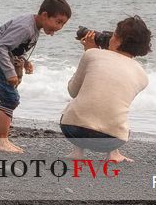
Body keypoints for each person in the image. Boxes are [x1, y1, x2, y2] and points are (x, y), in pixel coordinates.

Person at [0, 0, 71, 153]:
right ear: (44, 15)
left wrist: (25, 61)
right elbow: (1, 46)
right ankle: (2, 141)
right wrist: (10, 74)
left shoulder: (35, 27)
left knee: (9, 97)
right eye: (58, 22)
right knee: (10, 98)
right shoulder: (25, 27)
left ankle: (3, 137)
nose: (59, 27)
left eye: (63, 24)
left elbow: (15, 47)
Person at [60, 15, 151, 163]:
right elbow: (111, 99)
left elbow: (73, 91)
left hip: (73, 131)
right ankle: (113, 154)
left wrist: (89, 52)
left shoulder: (92, 55)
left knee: (82, 102)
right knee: (114, 108)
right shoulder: (143, 76)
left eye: (114, 34)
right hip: (111, 140)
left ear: (118, 40)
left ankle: (77, 152)